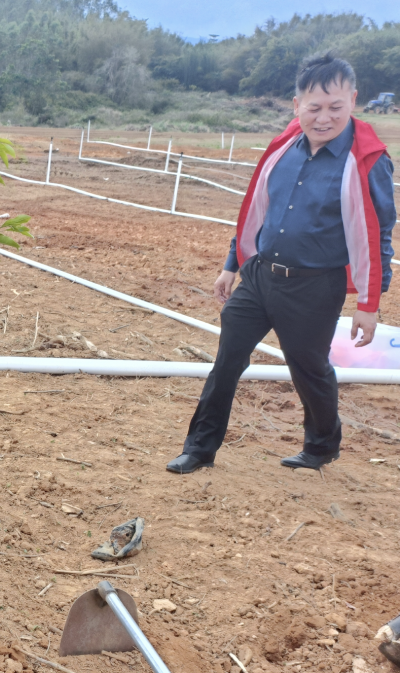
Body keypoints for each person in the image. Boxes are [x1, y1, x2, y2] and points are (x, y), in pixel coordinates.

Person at [167, 53, 394, 475]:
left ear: (354, 101)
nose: (323, 118)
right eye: (314, 107)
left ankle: (322, 445)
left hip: (314, 286)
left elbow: (379, 234)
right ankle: (199, 448)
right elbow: (257, 211)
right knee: (227, 360)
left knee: (308, 369)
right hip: (259, 276)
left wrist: (369, 303)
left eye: (335, 107)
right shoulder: (283, 149)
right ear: (296, 106)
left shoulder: (367, 162)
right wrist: (232, 263)